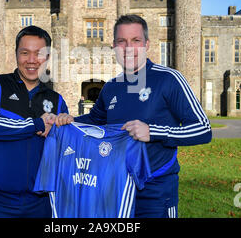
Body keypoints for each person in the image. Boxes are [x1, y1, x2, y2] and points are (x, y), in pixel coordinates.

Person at [55, 14, 212, 218]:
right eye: (122, 41)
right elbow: (95, 121)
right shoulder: (111, 87)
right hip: (115, 187)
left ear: (146, 44)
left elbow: (203, 130)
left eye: (135, 40)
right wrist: (68, 120)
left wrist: (152, 131)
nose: (128, 48)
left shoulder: (168, 79)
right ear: (114, 46)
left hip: (155, 191)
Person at [0, 25, 68, 218]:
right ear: (16, 54)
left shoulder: (57, 100)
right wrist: (36, 124)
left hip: (40, 203)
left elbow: (67, 151)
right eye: (25, 53)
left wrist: (65, 127)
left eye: (39, 54)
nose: (32, 60)